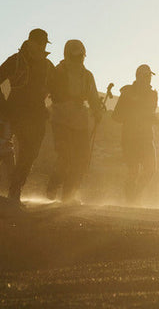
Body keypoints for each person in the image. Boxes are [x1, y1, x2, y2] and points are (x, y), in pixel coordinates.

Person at [0, 28, 55, 204]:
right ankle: (14, 191)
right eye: (40, 43)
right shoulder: (15, 61)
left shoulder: (48, 65)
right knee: (26, 152)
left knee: (30, 154)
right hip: (18, 114)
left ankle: (15, 189)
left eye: (44, 44)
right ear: (31, 42)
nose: (42, 46)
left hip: (38, 115)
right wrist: (3, 105)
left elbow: (57, 88)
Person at [45, 39, 102, 203]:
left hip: (80, 122)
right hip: (61, 119)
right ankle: (54, 184)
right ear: (68, 55)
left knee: (81, 159)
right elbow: (45, 91)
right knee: (65, 156)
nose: (79, 59)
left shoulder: (87, 75)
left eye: (81, 56)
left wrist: (97, 111)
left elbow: (93, 97)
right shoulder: (57, 72)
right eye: (76, 56)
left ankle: (68, 196)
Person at [112, 64, 159, 202]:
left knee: (150, 169)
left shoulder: (153, 95)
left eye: (149, 76)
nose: (148, 78)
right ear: (138, 77)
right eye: (146, 76)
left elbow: (150, 114)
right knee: (133, 171)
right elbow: (116, 116)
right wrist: (133, 115)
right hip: (130, 138)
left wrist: (155, 120)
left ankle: (134, 196)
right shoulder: (127, 92)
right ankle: (131, 200)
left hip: (146, 137)